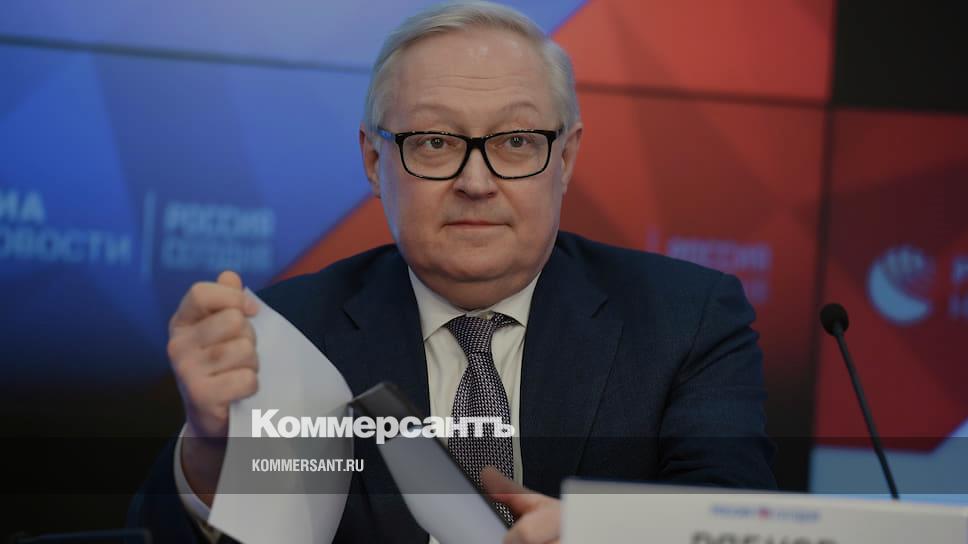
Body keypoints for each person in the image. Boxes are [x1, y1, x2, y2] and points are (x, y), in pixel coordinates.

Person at [129, 2, 775, 542]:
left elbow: (731, 519)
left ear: (566, 158)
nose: (476, 181)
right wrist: (212, 454)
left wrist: (598, 536)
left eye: (516, 142)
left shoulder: (686, 320)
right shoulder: (288, 333)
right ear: (374, 160)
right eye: (435, 142)